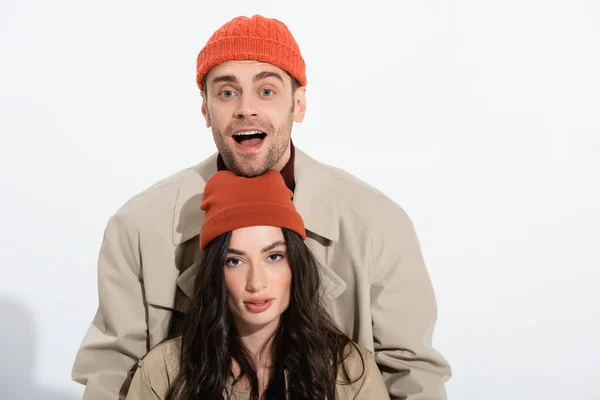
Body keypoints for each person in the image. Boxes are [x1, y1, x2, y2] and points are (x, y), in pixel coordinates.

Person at [72, 14, 451, 400]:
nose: (245, 109)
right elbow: (110, 373)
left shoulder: (379, 225)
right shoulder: (137, 227)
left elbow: (412, 376)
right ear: (205, 109)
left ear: (298, 104)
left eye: (266, 91)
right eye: (226, 93)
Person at [124, 170, 391, 400]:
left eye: (273, 257)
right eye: (234, 261)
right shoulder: (163, 372)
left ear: (296, 265)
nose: (256, 283)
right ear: (215, 273)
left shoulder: (351, 371)